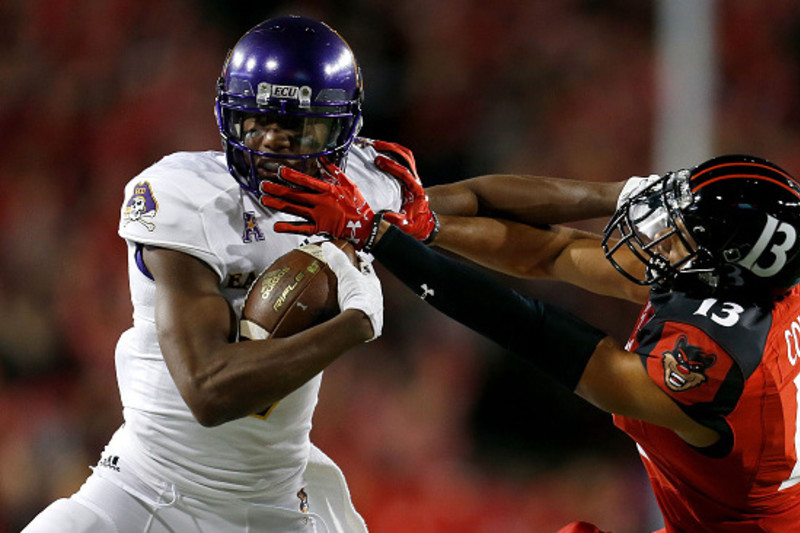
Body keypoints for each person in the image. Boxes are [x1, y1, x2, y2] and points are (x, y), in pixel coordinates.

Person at [259, 151, 800, 531]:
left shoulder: (717, 364)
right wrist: (421, 223)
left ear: (726, 272)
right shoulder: (750, 286)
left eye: (682, 232)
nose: (659, 229)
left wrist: (380, 237)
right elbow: (554, 252)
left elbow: (528, 327)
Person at [22, 15, 408, 533]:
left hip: (271, 506)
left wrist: (555, 231)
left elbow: (473, 205)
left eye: (295, 128)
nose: (271, 141)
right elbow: (208, 391)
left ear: (336, 131)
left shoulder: (361, 192)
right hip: (143, 490)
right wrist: (354, 323)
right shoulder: (190, 197)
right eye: (255, 120)